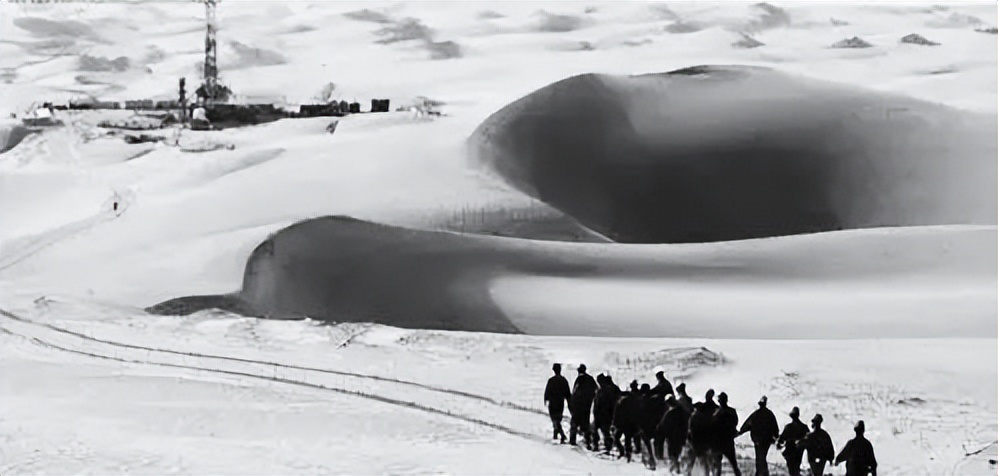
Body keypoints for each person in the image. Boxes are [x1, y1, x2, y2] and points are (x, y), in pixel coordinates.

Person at [739, 395, 780, 476]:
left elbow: (747, 425)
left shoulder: (756, 414)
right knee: (762, 457)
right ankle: (763, 473)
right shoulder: (770, 414)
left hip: (757, 440)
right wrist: (776, 437)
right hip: (767, 440)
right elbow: (775, 428)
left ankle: (760, 473)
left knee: (760, 457)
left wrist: (741, 431)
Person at [712, 392, 742, 476]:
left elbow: (713, 426)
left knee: (717, 466)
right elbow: (735, 422)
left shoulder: (716, 413)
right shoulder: (732, 411)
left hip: (718, 441)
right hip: (728, 440)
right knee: (734, 464)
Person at [569, 363, 598, 448]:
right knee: (585, 423)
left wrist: (572, 404)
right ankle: (588, 441)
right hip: (587, 406)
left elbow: (574, 393)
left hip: (578, 406)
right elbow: (596, 390)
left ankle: (572, 440)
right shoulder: (590, 379)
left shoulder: (579, 379)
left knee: (574, 423)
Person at [592, 373, 621, 454]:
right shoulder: (608, 389)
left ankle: (603, 445)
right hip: (605, 414)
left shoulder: (603, 390)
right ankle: (604, 445)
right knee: (603, 430)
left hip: (603, 414)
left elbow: (599, 403)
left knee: (602, 430)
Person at [543, 363, 571, 443]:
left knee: (554, 419)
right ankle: (555, 434)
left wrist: (546, 399)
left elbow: (547, 391)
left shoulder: (551, 380)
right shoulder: (563, 380)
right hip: (560, 402)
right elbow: (567, 393)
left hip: (553, 402)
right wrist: (569, 401)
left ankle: (562, 435)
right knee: (558, 418)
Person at [777, 407, 809, 476]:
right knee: (796, 468)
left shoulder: (788, 427)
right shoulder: (804, 427)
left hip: (789, 452)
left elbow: (781, 439)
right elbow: (809, 438)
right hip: (799, 452)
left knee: (792, 470)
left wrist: (779, 444)